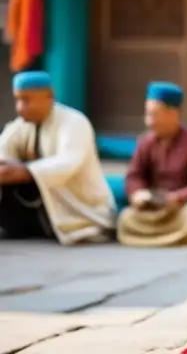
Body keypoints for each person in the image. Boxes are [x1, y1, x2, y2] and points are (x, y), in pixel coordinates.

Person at [0, 70, 116, 244]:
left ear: (49, 97)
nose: (20, 107)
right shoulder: (19, 126)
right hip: (40, 210)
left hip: (80, 213)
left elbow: (67, 163)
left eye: (26, 100)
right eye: (18, 100)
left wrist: (25, 171)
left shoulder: (74, 122)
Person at [116, 81, 187, 247]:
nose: (149, 121)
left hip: (182, 208)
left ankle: (164, 238)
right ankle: (166, 238)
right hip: (152, 208)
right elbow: (134, 176)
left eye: (154, 115)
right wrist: (138, 194)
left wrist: (177, 198)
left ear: (173, 114)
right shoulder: (145, 142)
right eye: (147, 114)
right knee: (125, 217)